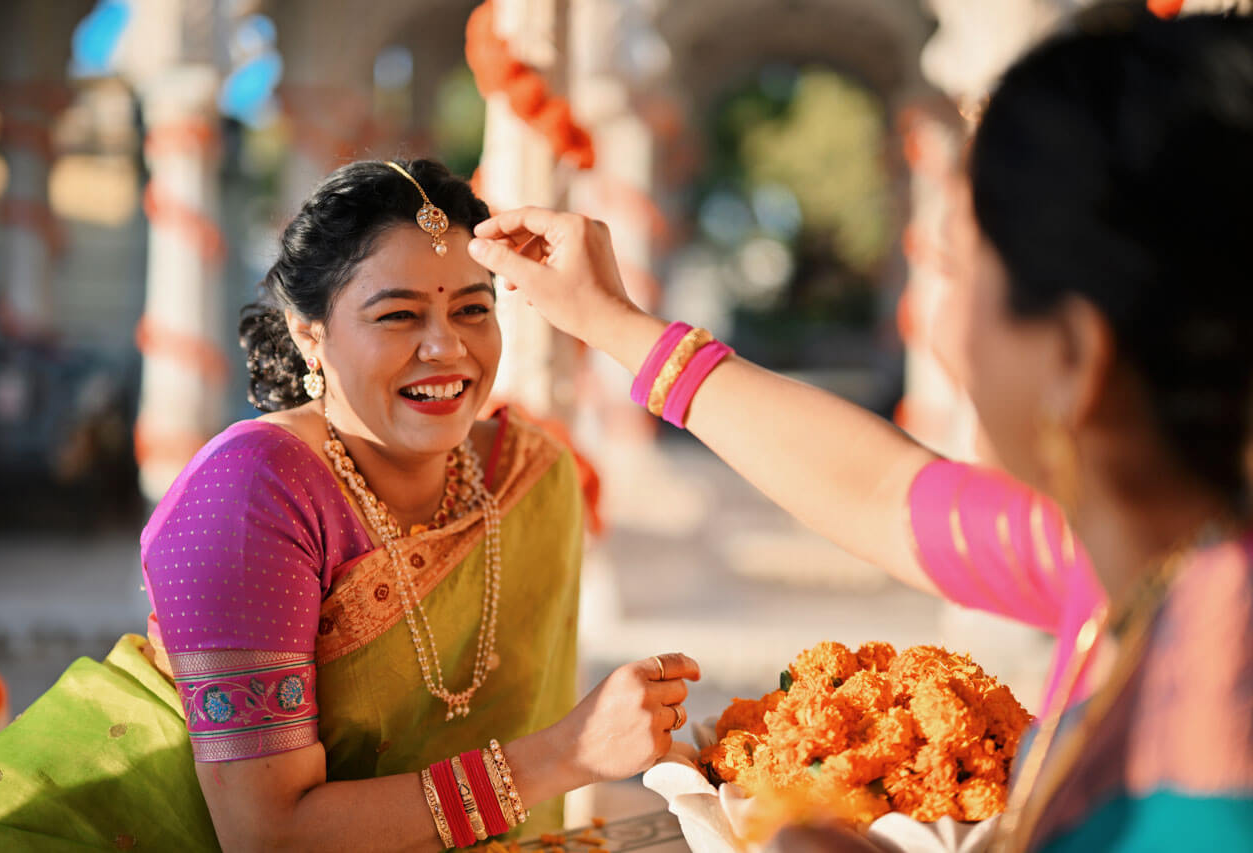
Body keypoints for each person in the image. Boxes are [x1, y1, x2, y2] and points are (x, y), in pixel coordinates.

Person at [465, 12, 1253, 852]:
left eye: (954, 266)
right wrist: (615, 324)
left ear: (1072, 358)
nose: (936, 324)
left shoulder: (1213, 727)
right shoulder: (1124, 558)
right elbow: (883, 494)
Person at [0, 158, 700, 851]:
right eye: (398, 316)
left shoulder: (532, 478)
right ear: (309, 332)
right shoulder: (250, 491)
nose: (446, 347)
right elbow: (269, 834)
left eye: (473, 308)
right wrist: (566, 753)